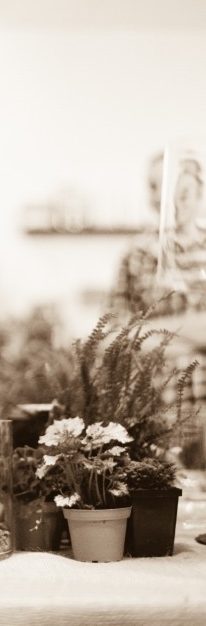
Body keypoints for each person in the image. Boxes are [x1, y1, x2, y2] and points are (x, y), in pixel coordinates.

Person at [107, 151, 206, 468]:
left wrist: (154, 331)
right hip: (156, 406)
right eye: (155, 187)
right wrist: (195, 333)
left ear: (198, 192)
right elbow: (116, 337)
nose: (165, 198)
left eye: (179, 190)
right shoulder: (136, 254)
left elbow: (138, 334)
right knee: (169, 489)